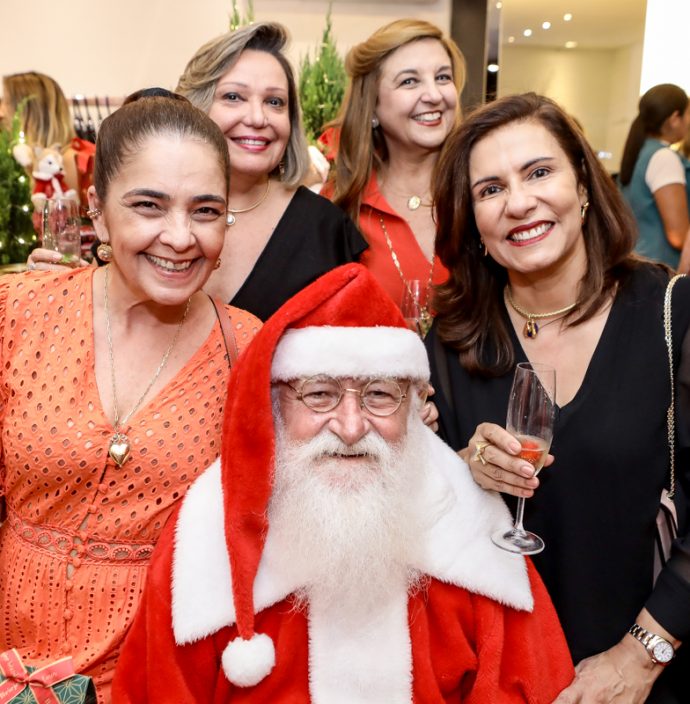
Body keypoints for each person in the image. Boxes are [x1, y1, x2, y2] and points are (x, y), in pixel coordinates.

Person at [111, 263, 574, 703]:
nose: (351, 428)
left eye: (378, 396)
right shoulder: (204, 535)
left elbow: (531, 685)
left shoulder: (471, 533)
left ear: (413, 406)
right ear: (275, 405)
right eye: (318, 394)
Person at [426, 92, 690, 702]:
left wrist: (639, 657)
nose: (519, 202)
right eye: (490, 189)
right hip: (499, 675)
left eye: (539, 172)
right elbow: (422, 525)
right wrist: (464, 472)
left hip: (650, 673)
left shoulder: (672, 314)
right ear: (472, 221)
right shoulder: (451, 341)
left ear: (585, 186)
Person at [0, 89, 260, 702]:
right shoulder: (16, 315)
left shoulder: (247, 349)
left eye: (205, 211)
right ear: (96, 211)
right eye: (149, 205)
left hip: (160, 670)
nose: (180, 237)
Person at [27, 23, 366, 322]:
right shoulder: (137, 203)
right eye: (234, 97)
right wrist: (70, 287)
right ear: (196, 107)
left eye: (275, 102)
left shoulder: (326, 227)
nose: (258, 118)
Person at [325, 19, 464, 323]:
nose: (434, 95)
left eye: (443, 77)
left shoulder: (481, 193)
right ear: (372, 106)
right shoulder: (339, 203)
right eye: (409, 81)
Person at [619, 83, 690, 269]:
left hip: (639, 261)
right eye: (688, 114)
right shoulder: (664, 158)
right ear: (675, 118)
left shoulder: (640, 151)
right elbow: (678, 236)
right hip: (661, 269)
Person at [2, 71, 95, 209]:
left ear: (30, 112)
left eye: (7, 102)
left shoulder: (69, 161)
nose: (1, 112)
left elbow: (68, 225)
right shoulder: (19, 162)